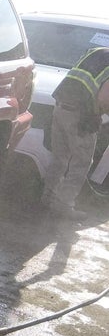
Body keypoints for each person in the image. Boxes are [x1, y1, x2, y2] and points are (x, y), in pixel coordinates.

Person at [41, 46, 109, 220]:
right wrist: (97, 114)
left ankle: (48, 197)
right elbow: (103, 98)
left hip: (60, 108)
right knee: (81, 162)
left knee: (60, 158)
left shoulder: (96, 51)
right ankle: (64, 205)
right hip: (80, 115)